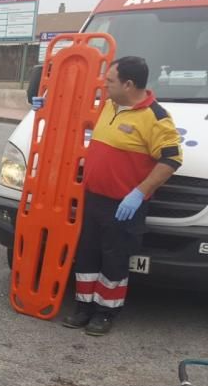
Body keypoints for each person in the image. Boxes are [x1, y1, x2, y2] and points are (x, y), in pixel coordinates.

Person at [60, 56, 182, 336]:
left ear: (128, 84)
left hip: (123, 205)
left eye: (110, 80)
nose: (105, 84)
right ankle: (83, 308)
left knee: (114, 260)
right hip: (94, 198)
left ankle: (106, 313)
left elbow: (172, 160)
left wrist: (139, 193)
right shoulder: (109, 105)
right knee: (88, 256)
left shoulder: (156, 117)